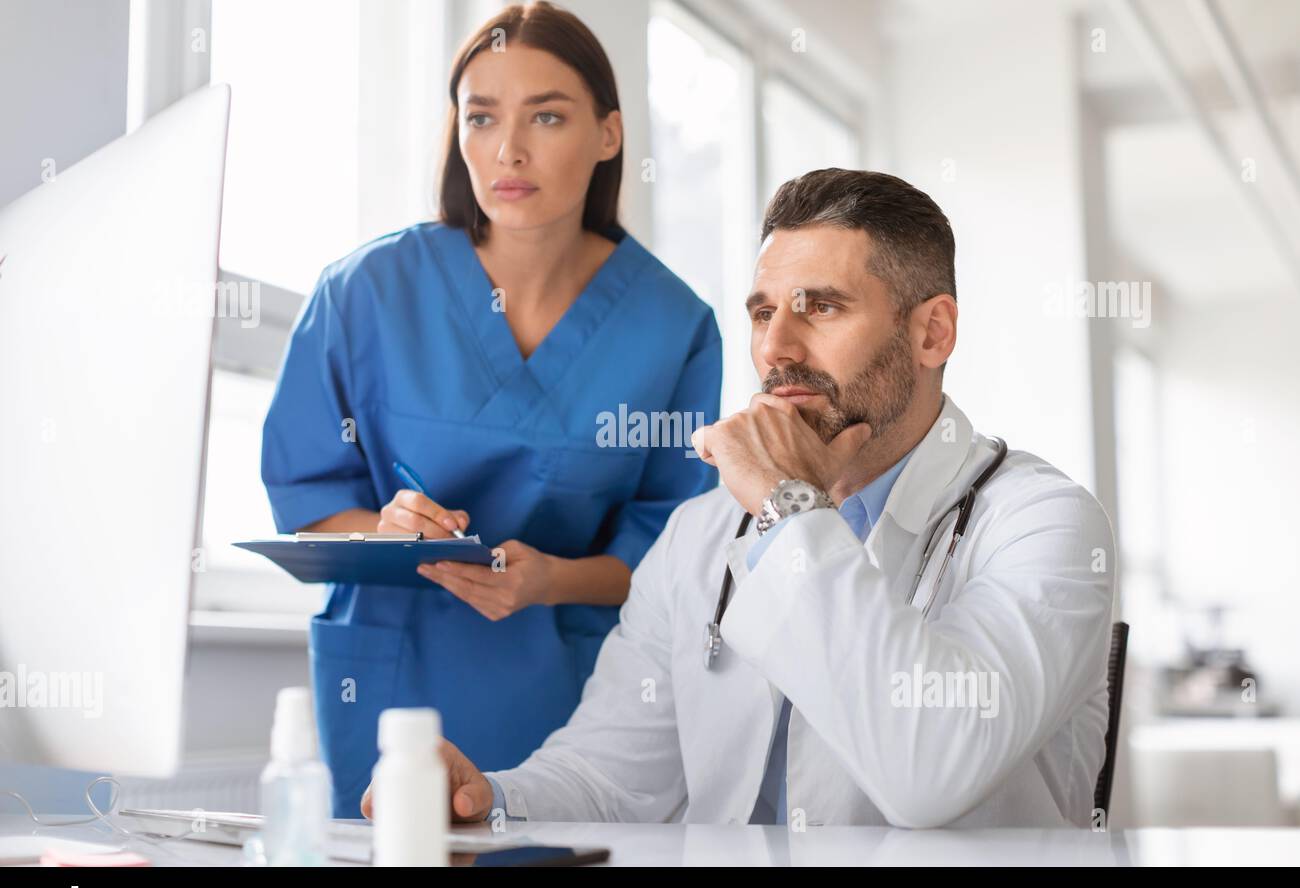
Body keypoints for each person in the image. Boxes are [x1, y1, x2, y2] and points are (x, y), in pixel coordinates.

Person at [361, 168, 1117, 829]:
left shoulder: (1040, 524)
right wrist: (485, 799)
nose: (775, 348)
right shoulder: (701, 532)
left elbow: (929, 774)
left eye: (820, 307)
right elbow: (612, 780)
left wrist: (791, 508)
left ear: (932, 333)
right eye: (762, 312)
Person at [262, 2, 721, 817]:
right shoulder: (363, 293)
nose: (509, 149)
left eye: (547, 115)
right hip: (389, 684)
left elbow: (669, 555)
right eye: (482, 117)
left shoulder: (674, 328)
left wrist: (548, 582)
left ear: (610, 134)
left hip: (574, 694)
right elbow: (307, 503)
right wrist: (385, 528)